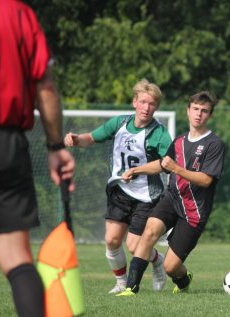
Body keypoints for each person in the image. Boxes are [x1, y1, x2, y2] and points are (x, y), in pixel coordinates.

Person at [0, 1, 76, 316]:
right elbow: (45, 87)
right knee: (17, 259)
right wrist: (54, 146)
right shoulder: (20, 14)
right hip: (7, 145)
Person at [64, 79, 172, 293]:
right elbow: (91, 138)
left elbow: (168, 164)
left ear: (156, 107)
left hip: (146, 196)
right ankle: (121, 282)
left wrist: (139, 171)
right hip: (120, 191)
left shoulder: (159, 134)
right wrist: (76, 139)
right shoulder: (119, 123)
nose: (146, 107)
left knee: (134, 246)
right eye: (143, 102)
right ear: (134, 102)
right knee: (112, 240)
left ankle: (157, 261)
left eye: (151, 104)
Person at [117, 90, 225, 296]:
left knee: (170, 267)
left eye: (204, 111)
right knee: (149, 232)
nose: (198, 114)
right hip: (172, 198)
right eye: (195, 109)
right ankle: (131, 287)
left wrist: (177, 169)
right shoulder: (179, 141)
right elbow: (163, 164)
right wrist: (136, 170)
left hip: (194, 211)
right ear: (188, 110)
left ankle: (184, 279)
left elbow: (206, 180)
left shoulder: (214, 144)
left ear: (209, 115)